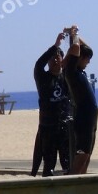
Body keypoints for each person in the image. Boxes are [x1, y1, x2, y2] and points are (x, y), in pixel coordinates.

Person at [31, 31, 73, 176]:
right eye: (52, 58)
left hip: (65, 127)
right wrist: (55, 46)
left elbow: (74, 59)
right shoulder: (42, 78)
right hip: (48, 128)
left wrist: (73, 37)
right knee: (49, 164)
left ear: (62, 60)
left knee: (67, 162)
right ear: (48, 62)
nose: (55, 60)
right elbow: (38, 64)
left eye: (58, 57)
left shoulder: (67, 77)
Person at [64, 25, 98, 175]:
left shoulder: (79, 70)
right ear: (79, 58)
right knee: (82, 153)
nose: (88, 62)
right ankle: (73, 179)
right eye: (87, 59)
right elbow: (77, 47)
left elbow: (85, 47)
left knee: (88, 153)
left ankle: (82, 178)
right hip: (83, 116)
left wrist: (74, 35)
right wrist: (74, 33)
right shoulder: (70, 71)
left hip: (90, 117)